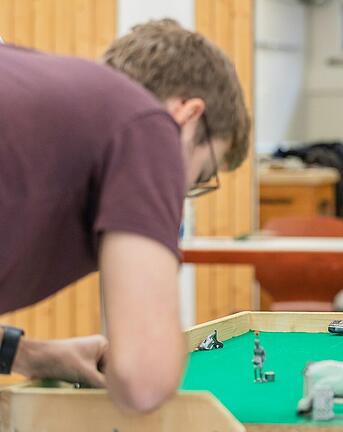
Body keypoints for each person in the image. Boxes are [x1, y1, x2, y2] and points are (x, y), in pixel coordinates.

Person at [0, 19, 250, 413]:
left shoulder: (27, 88)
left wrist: (26, 354)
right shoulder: (148, 127)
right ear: (188, 117)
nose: (179, 194)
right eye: (199, 176)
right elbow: (143, 380)